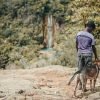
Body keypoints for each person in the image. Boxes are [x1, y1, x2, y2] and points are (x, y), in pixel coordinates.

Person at [76, 21, 98, 89]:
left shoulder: (78, 34)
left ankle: (80, 86)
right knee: (87, 70)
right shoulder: (91, 36)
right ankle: (84, 87)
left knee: (80, 69)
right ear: (90, 27)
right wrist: (96, 56)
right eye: (92, 29)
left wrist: (78, 52)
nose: (92, 31)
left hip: (80, 53)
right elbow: (93, 47)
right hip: (88, 55)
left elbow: (76, 44)